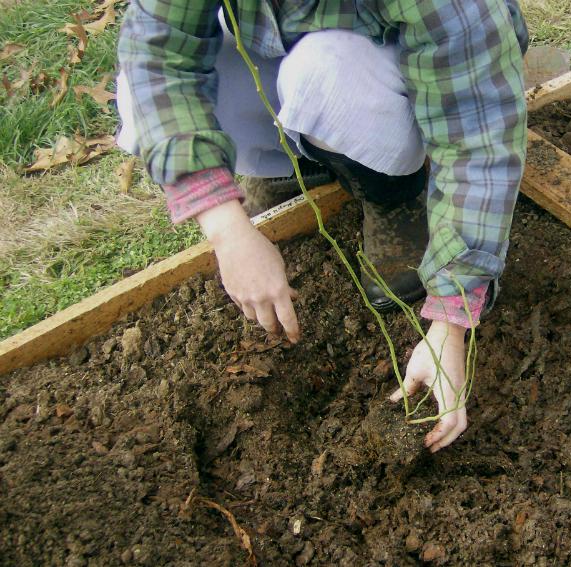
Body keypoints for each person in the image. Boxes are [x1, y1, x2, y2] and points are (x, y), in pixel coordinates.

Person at [116, 0, 529, 452]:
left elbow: (477, 135)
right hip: (271, 38)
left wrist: (450, 325)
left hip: (397, 64)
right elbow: (156, 61)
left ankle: (389, 190)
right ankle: (282, 162)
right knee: (142, 85)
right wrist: (227, 231)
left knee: (325, 74)